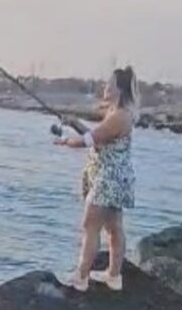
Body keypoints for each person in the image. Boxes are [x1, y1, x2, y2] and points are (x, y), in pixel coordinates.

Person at [54, 66, 138, 291]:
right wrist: (73, 122)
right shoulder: (116, 113)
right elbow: (98, 137)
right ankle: (113, 276)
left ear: (120, 89)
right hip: (116, 178)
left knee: (90, 225)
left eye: (110, 84)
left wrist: (66, 142)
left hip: (108, 179)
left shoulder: (120, 117)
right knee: (113, 227)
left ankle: (81, 278)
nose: (105, 87)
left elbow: (90, 141)